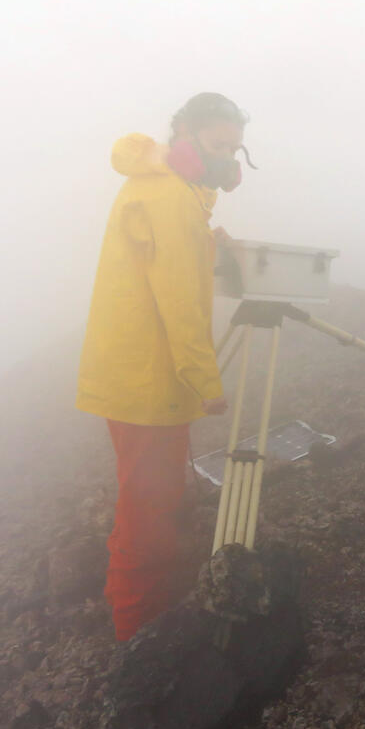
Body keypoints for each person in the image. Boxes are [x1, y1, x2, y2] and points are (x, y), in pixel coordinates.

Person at [76, 92, 255, 641]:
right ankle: (136, 636)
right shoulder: (172, 197)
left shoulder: (166, 187)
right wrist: (207, 383)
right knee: (149, 513)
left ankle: (134, 610)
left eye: (234, 146)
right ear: (186, 137)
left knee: (150, 501)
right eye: (216, 143)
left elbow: (162, 261)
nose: (227, 155)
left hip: (132, 372)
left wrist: (205, 242)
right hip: (148, 381)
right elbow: (181, 302)